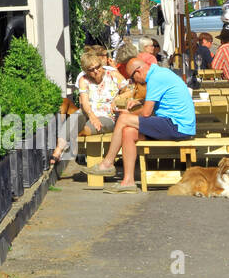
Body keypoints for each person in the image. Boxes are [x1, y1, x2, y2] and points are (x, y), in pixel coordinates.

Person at [86, 55, 197, 193]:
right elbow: (155, 100)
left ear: (138, 71)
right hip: (174, 124)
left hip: (177, 125)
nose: (134, 81)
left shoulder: (155, 78)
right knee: (128, 132)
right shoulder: (159, 73)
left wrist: (129, 114)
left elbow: (146, 113)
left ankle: (108, 162)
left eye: (132, 78)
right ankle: (128, 182)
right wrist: (140, 102)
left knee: (123, 119)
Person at [51, 47, 127, 171]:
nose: (96, 71)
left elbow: (129, 90)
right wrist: (92, 116)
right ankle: (58, 149)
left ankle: (68, 145)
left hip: (107, 115)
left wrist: (118, 98)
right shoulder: (84, 80)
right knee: (77, 115)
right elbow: (85, 103)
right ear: (86, 71)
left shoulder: (112, 74)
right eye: (91, 70)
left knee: (85, 129)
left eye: (98, 67)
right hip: (89, 112)